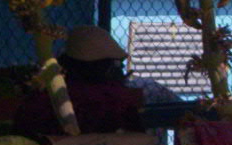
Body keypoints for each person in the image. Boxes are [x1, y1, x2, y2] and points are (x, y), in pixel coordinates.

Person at [15, 25, 172, 136]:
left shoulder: (49, 95)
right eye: (116, 64)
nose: (120, 69)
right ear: (107, 67)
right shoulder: (138, 92)